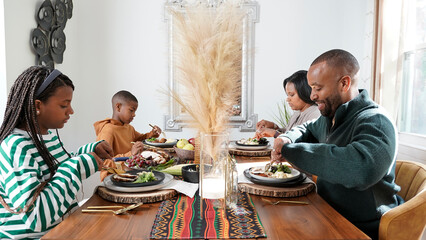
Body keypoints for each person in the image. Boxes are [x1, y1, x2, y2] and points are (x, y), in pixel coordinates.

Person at [272, 49, 402, 240]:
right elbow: (307, 128)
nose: (313, 96)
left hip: (361, 227)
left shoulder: (376, 121)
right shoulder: (330, 116)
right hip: (326, 211)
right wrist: (287, 139)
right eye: (311, 88)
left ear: (344, 83)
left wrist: (290, 151)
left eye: (317, 88)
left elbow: (360, 168)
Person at [0, 66, 113, 239]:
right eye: (64, 105)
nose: (71, 111)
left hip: (63, 230)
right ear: (38, 105)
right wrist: (77, 165)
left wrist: (90, 151)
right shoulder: (15, 147)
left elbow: (56, 170)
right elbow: (36, 217)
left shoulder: (47, 136)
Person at [93, 90, 161, 158]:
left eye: (135, 111)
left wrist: (152, 133)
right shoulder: (108, 131)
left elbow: (141, 139)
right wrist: (131, 153)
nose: (134, 115)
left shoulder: (129, 127)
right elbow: (103, 163)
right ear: (118, 107)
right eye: (131, 110)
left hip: (130, 167)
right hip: (118, 168)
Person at [255, 70, 320, 139]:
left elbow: (300, 144)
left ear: (304, 92)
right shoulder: (297, 113)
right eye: (287, 95)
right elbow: (287, 133)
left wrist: (275, 133)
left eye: (291, 95)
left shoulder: (315, 115)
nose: (287, 99)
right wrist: (273, 126)